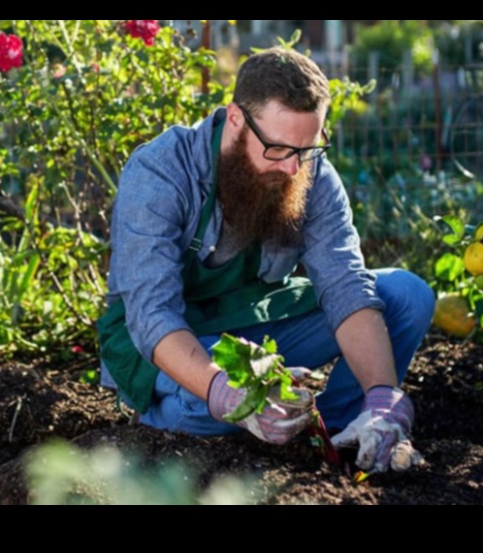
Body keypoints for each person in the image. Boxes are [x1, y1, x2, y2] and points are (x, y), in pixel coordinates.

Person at [97, 47, 436, 474]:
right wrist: (225, 391)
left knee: (406, 295)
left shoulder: (309, 172)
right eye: (277, 148)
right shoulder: (161, 172)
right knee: (206, 407)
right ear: (236, 119)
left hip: (253, 325)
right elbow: (152, 315)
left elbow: (345, 284)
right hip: (166, 340)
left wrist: (384, 397)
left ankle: (341, 433)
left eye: (308, 149)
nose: (294, 168)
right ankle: (160, 423)